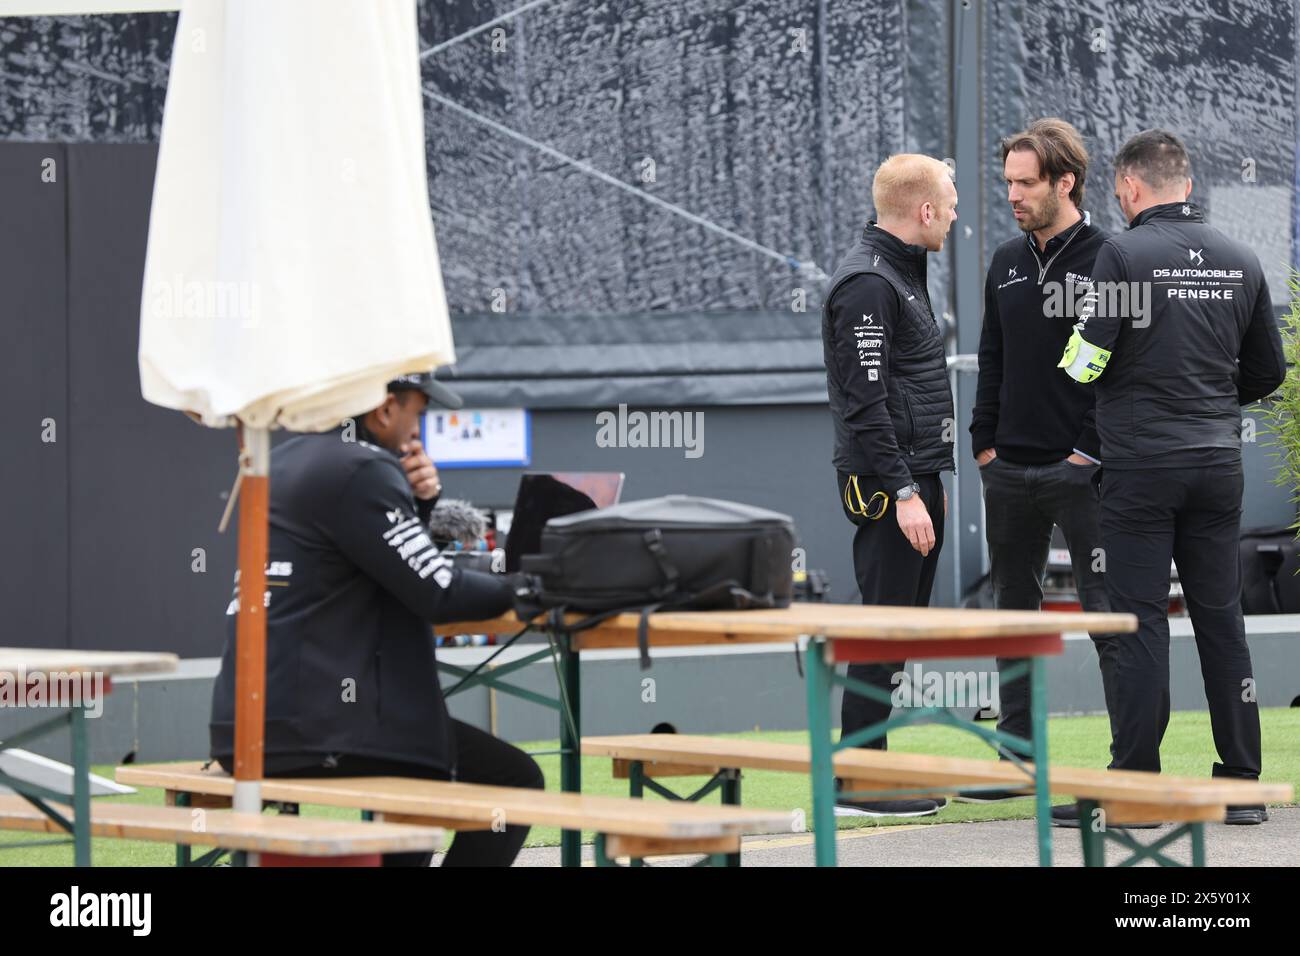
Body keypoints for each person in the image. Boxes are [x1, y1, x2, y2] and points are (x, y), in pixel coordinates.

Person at [210, 372, 544, 863]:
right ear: (385, 410)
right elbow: (438, 592)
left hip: (246, 721)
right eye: (418, 413)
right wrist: (530, 587)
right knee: (504, 778)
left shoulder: (276, 462)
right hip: (321, 727)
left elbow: (375, 564)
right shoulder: (360, 470)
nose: (419, 430)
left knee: (431, 757)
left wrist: (420, 505)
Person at [1055, 129, 1286, 826]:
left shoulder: (1121, 253)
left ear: (1129, 189)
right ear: (1186, 185)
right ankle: (1242, 783)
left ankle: (1137, 787)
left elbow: (1083, 362)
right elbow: (1269, 371)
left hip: (1141, 464)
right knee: (1221, 617)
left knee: (1142, 620)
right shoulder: (1240, 256)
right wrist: (1209, 401)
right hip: (1217, 461)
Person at [969, 118, 1121, 796]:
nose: (1012, 195)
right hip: (1007, 471)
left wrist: (1086, 452)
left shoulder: (1112, 257)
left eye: (1025, 183)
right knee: (1013, 616)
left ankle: (1130, 765)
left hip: (1081, 473)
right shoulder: (1004, 259)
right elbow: (993, 355)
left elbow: (1117, 366)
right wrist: (983, 442)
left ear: (1065, 181)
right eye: (1007, 183)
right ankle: (1017, 762)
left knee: (1107, 617)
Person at [821, 154, 957, 817]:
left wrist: (928, 480)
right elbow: (864, 404)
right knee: (883, 632)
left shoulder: (900, 273)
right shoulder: (869, 283)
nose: (956, 215)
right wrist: (905, 492)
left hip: (915, 476)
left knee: (899, 632)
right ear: (925, 210)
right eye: (950, 204)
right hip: (888, 487)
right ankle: (855, 783)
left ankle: (869, 772)